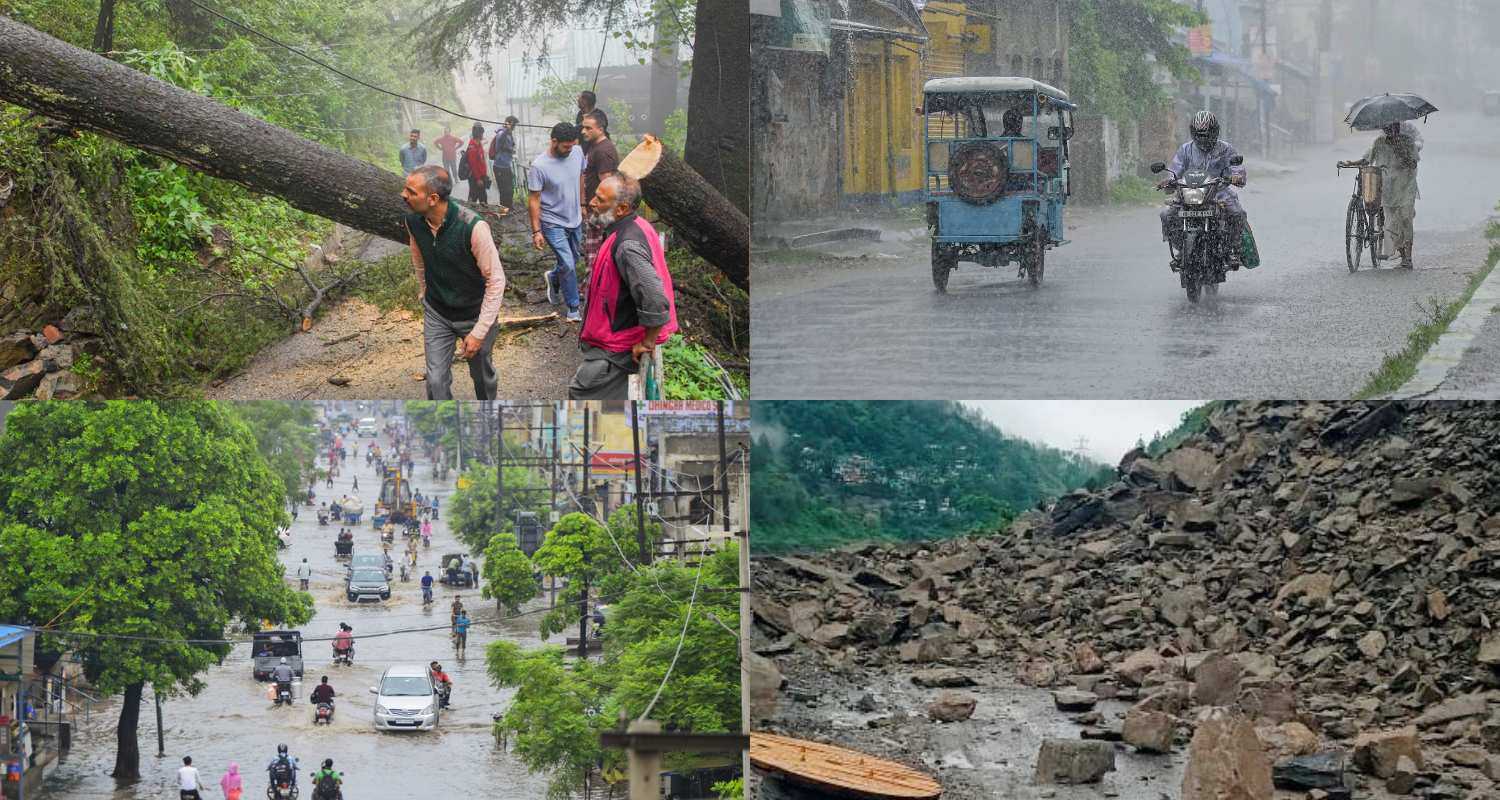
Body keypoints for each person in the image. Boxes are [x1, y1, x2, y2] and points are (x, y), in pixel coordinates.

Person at [401, 165, 507, 401]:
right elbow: (418, 256)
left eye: (411, 191)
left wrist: (479, 332)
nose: (403, 195)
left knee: (482, 377)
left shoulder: (473, 226)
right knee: (436, 380)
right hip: (437, 312)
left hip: (474, 313)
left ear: (433, 199)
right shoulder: (413, 221)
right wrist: (424, 291)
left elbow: (496, 280)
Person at [569, 174, 679, 400]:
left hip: (616, 347)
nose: (592, 202)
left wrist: (647, 342)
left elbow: (655, 298)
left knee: (581, 395)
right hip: (615, 339)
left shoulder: (627, 245)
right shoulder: (635, 224)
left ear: (621, 209)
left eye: (600, 199)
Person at [1157, 110, 1248, 270]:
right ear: (1193, 133)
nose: (1203, 138)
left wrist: (1236, 176)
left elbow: (1237, 168)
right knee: (1167, 215)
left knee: (1237, 214)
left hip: (1219, 192)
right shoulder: (1185, 149)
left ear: (1215, 131)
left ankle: (1233, 249)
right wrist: (1169, 181)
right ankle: (1181, 249)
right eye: (1199, 134)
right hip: (1189, 192)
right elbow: (1175, 169)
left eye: (1206, 134)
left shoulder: (1226, 149)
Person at [529, 122, 586, 322]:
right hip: (552, 222)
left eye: (572, 145)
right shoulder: (539, 166)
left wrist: (583, 203)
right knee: (569, 264)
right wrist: (536, 231)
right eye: (565, 146)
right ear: (554, 141)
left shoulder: (577, 152)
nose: (569, 150)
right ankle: (573, 308)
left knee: (573, 260)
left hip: (575, 218)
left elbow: (580, 176)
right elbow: (534, 199)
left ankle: (553, 277)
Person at [1358, 121, 1423, 267]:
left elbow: (1413, 163)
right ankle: (1401, 253)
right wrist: (1352, 163)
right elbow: (1368, 158)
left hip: (1406, 185)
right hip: (1388, 187)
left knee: (1406, 218)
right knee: (1392, 221)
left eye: (1394, 127)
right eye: (1388, 128)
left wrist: (1402, 154)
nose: (1391, 130)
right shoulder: (1379, 142)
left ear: (1398, 127)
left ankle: (1408, 257)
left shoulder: (1407, 142)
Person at [579, 109, 619, 267]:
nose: (584, 131)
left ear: (601, 129)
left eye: (589, 128)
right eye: (583, 127)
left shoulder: (604, 150)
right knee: (592, 253)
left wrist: (600, 211)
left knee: (596, 256)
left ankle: (595, 287)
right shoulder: (593, 146)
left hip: (601, 212)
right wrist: (583, 204)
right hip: (593, 208)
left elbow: (607, 185)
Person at [489, 115, 519, 212]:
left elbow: (511, 146)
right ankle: (503, 211)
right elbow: (501, 139)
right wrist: (507, 129)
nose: (514, 127)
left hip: (506, 165)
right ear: (509, 123)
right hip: (499, 166)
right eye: (513, 125)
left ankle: (510, 207)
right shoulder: (501, 133)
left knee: (510, 188)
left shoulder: (509, 134)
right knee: (503, 190)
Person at [462, 122, 490, 204]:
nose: (483, 136)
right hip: (475, 178)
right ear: (479, 135)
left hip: (481, 176)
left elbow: (481, 160)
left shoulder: (479, 144)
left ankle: (483, 213)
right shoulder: (472, 148)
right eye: (482, 134)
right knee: (474, 198)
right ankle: (470, 213)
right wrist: (478, 179)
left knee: (482, 198)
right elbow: (473, 165)